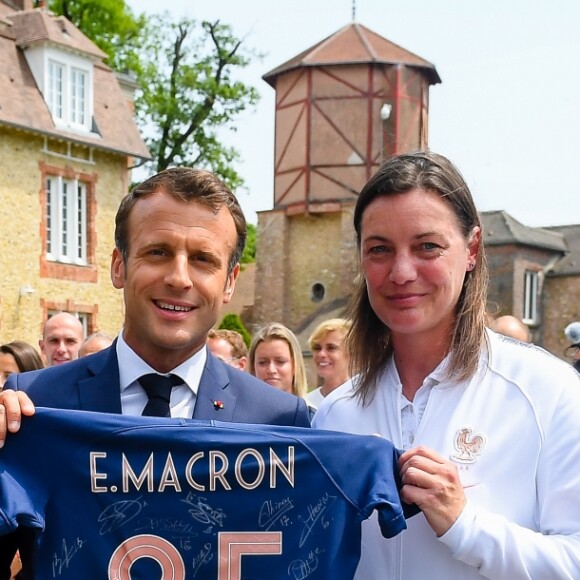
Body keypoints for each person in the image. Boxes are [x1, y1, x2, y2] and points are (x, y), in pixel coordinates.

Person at [0, 167, 310, 576]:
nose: (178, 277)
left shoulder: (282, 421)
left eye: (203, 260)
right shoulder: (33, 407)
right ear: (118, 266)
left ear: (230, 281)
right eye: (158, 252)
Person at [313, 151, 580, 579]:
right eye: (380, 249)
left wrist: (465, 525)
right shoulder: (333, 413)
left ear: (471, 249)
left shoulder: (550, 392)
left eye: (427, 247)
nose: (401, 272)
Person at [248, 322, 308, 398]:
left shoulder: (313, 409)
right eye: (262, 362)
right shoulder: (238, 409)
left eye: (280, 362)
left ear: (295, 365)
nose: (271, 370)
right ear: (253, 367)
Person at [306, 317, 352, 408]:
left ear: (350, 353)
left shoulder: (364, 401)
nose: (321, 354)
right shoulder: (306, 404)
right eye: (317, 348)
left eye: (331, 348)